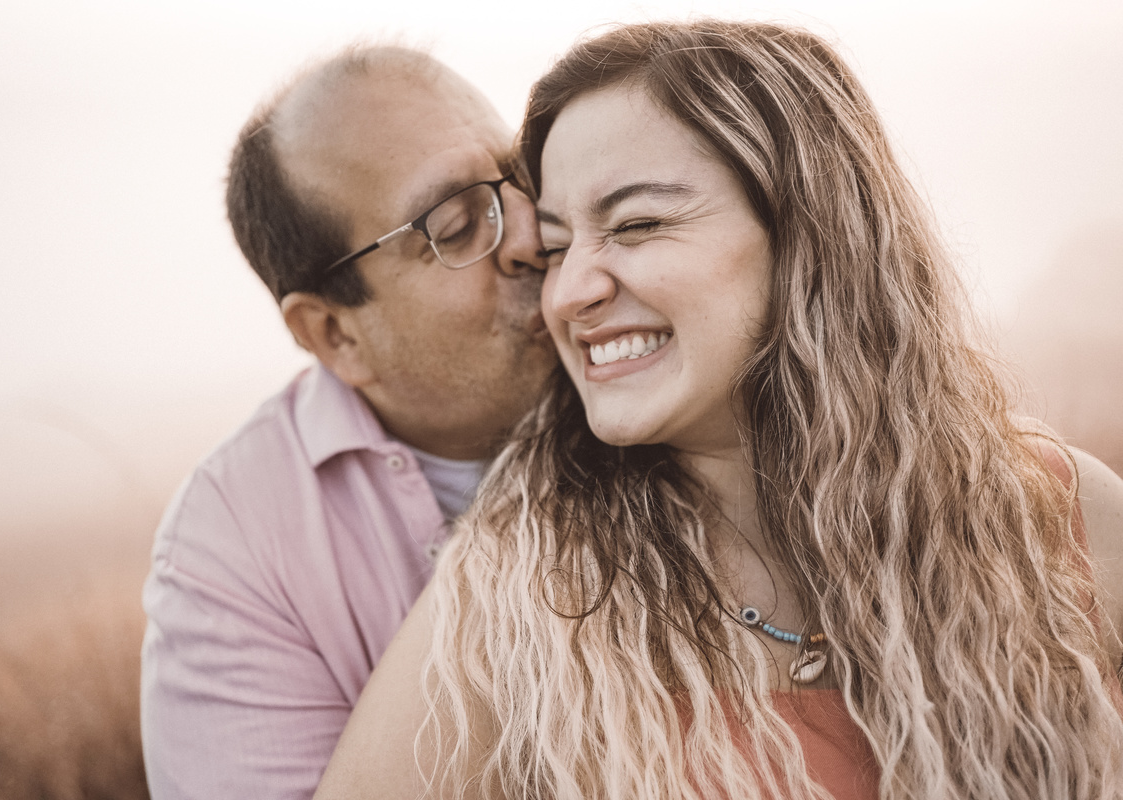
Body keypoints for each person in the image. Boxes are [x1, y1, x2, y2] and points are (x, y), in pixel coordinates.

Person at [315, 20, 1123, 800]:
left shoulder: (1064, 516)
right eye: (557, 246)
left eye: (637, 224)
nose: (568, 293)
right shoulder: (516, 603)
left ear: (807, 235)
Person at [139, 45, 556, 800]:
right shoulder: (231, 548)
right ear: (336, 335)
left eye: (523, 176)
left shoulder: (667, 377)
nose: (533, 236)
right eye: (456, 225)